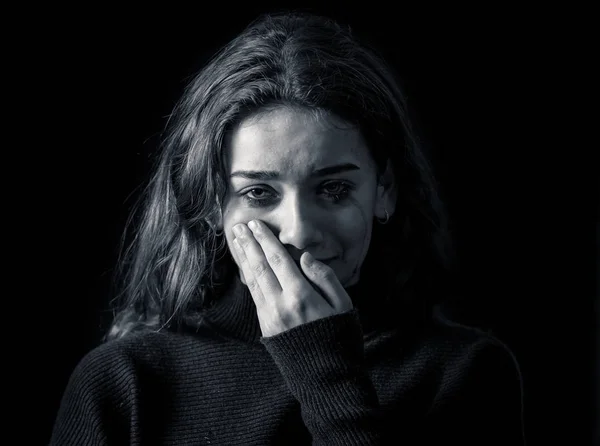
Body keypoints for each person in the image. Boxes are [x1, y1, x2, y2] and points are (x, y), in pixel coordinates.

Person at [50, 11, 526, 445]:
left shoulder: (465, 372)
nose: (299, 233)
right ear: (214, 204)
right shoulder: (126, 381)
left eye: (335, 190)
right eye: (259, 193)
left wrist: (325, 373)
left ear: (384, 191)